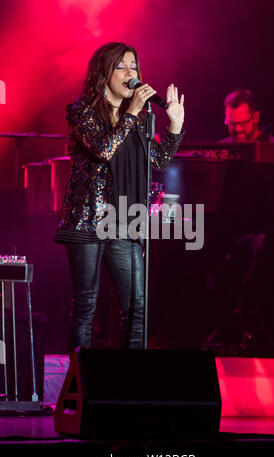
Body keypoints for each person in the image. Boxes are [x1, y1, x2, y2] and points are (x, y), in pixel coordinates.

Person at [54, 42, 185, 352]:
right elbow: (102, 149)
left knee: (136, 306)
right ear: (104, 73)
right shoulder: (82, 110)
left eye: (134, 66)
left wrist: (175, 127)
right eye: (122, 66)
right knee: (86, 306)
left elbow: (156, 162)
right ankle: (81, 389)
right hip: (88, 219)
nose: (132, 73)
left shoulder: (140, 121)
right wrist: (131, 114)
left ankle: (131, 385)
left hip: (125, 221)